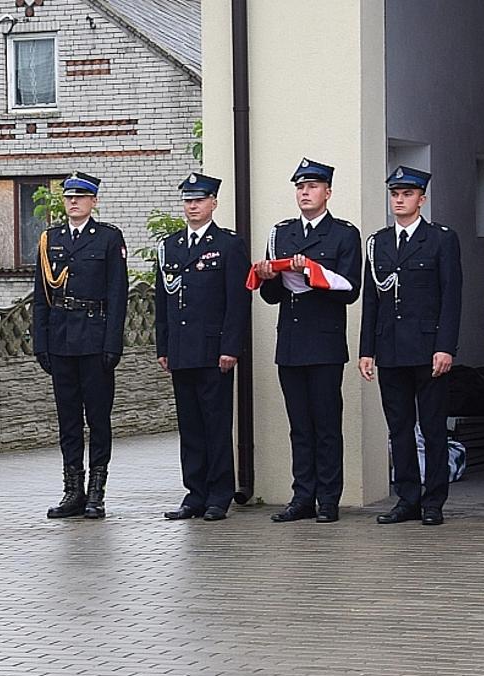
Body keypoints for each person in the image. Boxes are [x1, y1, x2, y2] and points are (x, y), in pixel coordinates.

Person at [256, 159, 362, 524]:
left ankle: (329, 498)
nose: (305, 193)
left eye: (312, 187)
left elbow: (350, 291)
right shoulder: (281, 232)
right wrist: (270, 276)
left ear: (327, 192)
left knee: (327, 424)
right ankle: (303, 496)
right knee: (299, 425)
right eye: (300, 187)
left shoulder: (343, 234)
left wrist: (313, 273)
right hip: (291, 341)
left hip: (325, 341)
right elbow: (271, 297)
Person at [358, 166, 461, 526]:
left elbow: (451, 297)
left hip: (427, 347)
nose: (399, 200)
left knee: (432, 427)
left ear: (422, 199)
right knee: (399, 427)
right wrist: (366, 349)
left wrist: (446, 346)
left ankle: (434, 500)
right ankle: (407, 497)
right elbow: (371, 298)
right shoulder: (378, 242)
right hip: (390, 348)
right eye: (395, 194)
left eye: (407, 194)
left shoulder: (440, 239)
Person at [32, 172, 130, 519]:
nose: (73, 202)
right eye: (69, 197)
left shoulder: (107, 238)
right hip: (61, 339)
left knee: (98, 418)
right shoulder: (50, 239)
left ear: (94, 202)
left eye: (81, 197)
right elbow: (41, 297)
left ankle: (96, 492)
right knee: (68, 419)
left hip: (94, 337)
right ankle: (72, 490)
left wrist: (112, 342)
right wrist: (40, 342)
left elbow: (118, 295)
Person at [155, 173, 249, 522]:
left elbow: (236, 302)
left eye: (199, 200)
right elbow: (162, 300)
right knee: (190, 426)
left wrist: (231, 347)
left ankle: (219, 494)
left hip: (213, 351)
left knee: (215, 423)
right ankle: (195, 493)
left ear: (213, 203)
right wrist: (163, 345)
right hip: (181, 350)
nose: (192, 206)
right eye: (188, 201)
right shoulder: (171, 246)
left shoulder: (227, 245)